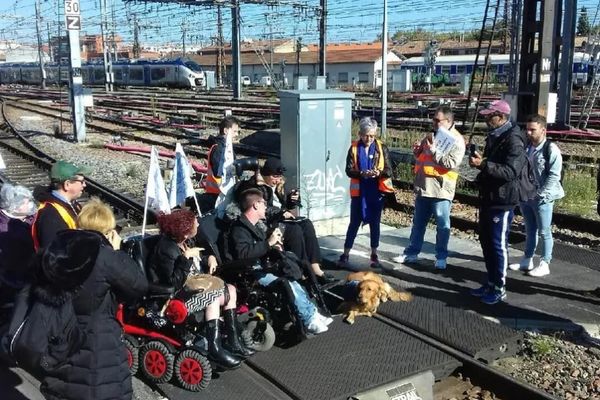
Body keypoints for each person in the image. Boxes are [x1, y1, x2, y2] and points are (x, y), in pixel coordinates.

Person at [38, 200, 148, 400]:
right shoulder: (105, 256)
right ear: (107, 231)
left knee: (64, 388)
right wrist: (117, 251)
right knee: (97, 388)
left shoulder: (56, 250)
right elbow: (139, 285)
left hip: (58, 336)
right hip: (98, 340)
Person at [147, 209, 250, 368]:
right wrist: (186, 258)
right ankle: (215, 348)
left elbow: (197, 256)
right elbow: (174, 282)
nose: (198, 223)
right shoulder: (167, 249)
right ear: (185, 232)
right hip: (174, 297)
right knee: (213, 298)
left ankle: (233, 339)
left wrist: (208, 258)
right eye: (195, 222)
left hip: (193, 287)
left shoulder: (183, 241)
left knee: (230, 289)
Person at [229, 188, 332, 334]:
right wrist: (268, 244)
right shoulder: (239, 229)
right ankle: (309, 319)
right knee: (287, 283)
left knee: (294, 277)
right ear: (255, 205)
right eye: (263, 203)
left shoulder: (256, 225)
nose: (266, 207)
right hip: (252, 271)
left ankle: (312, 312)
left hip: (265, 264)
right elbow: (243, 253)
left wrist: (275, 244)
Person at [469, 100, 527, 305]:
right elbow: (494, 166)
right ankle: (491, 281)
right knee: (486, 241)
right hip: (489, 196)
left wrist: (484, 164)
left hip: (503, 200)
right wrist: (481, 166)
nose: (486, 120)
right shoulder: (495, 136)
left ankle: (499, 287)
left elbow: (511, 172)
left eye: (489, 116)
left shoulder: (514, 139)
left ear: (501, 117)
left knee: (497, 244)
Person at [392, 106, 465, 270]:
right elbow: (423, 158)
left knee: (442, 225)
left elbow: (451, 163)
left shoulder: (456, 140)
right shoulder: (432, 135)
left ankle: (441, 257)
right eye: (433, 119)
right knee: (418, 223)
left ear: (449, 121)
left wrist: (433, 152)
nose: (434, 122)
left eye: (438, 120)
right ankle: (411, 253)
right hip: (424, 187)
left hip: (441, 190)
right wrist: (417, 152)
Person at [244, 157, 337, 285]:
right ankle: (299, 270)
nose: (277, 180)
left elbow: (284, 206)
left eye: (279, 177)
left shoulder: (277, 186)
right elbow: (262, 208)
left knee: (306, 224)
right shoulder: (255, 187)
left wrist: (292, 201)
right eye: (275, 177)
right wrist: (281, 212)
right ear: (266, 174)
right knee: (294, 230)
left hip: (279, 219)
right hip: (266, 224)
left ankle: (315, 268)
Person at [508, 114, 564, 277]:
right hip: (526, 195)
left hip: (542, 198)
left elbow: (554, 175)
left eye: (533, 130)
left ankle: (545, 262)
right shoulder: (527, 147)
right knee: (530, 229)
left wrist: (541, 194)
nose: (529, 133)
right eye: (527, 129)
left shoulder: (550, 149)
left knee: (544, 231)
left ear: (543, 130)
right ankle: (527, 259)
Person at [338, 117, 394, 269]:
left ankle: (374, 253)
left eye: (372, 135)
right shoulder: (354, 148)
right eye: (365, 135)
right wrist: (361, 173)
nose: (368, 138)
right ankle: (346, 252)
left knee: (375, 223)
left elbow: (389, 170)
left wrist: (379, 173)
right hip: (359, 193)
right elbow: (349, 170)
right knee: (354, 222)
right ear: (360, 134)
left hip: (376, 192)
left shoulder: (382, 148)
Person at [32, 160, 88, 250]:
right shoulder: (50, 215)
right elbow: (54, 255)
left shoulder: (72, 204)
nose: (84, 185)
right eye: (82, 181)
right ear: (67, 184)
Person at [0, 184, 36, 305]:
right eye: (27, 202)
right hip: (14, 278)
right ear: (16, 207)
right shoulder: (5, 229)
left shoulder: (26, 218)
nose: (31, 205)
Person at [203, 116, 240, 211]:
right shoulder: (219, 149)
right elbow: (219, 171)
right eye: (235, 131)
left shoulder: (225, 148)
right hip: (217, 194)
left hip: (222, 192)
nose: (237, 134)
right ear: (226, 131)